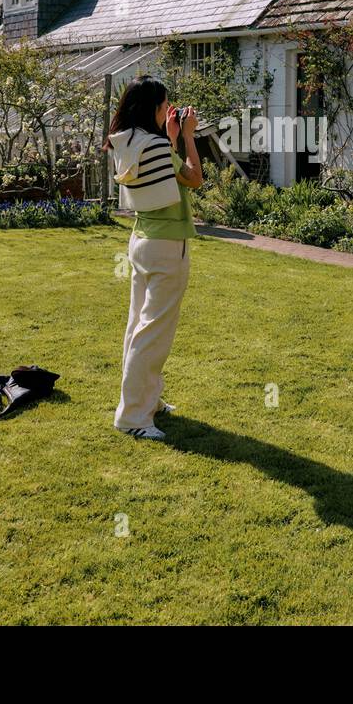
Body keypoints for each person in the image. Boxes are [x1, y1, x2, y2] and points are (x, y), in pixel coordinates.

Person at [104, 76, 203, 440]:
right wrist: (189, 135)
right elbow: (193, 179)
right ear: (155, 109)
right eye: (165, 106)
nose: (168, 111)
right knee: (153, 333)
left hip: (141, 241)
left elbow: (163, 175)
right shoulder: (159, 146)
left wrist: (171, 136)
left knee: (138, 326)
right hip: (166, 247)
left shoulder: (131, 143)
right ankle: (133, 417)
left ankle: (149, 400)